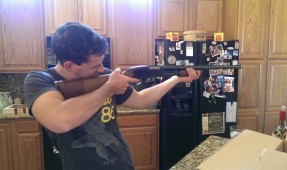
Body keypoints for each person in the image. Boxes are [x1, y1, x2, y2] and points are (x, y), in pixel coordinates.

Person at [23, 21, 201, 170]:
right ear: (69, 65)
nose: (102, 69)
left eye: (102, 63)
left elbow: (141, 100)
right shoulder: (38, 80)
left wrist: (176, 79)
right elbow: (60, 120)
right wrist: (108, 88)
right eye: (95, 66)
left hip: (123, 163)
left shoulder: (103, 77)